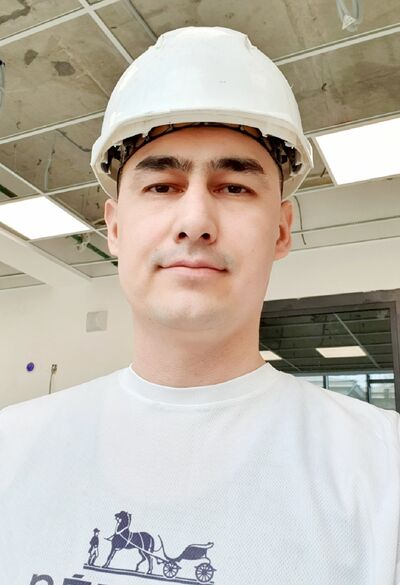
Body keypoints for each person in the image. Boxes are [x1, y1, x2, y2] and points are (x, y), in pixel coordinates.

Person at [1, 26, 399, 585]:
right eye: (162, 186)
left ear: (281, 230)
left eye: (234, 187)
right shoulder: (10, 449)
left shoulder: (382, 466)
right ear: (114, 228)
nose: (194, 221)